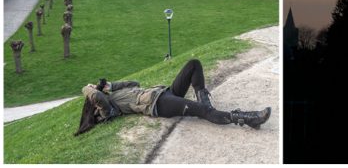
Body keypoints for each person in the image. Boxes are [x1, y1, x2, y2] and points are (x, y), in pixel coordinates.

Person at [75, 59, 270, 136]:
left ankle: (204, 103)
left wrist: (110, 85)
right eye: (96, 93)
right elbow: (95, 96)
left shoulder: (114, 94)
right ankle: (248, 119)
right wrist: (87, 87)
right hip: (158, 105)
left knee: (193, 64)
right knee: (202, 112)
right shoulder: (106, 109)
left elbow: (134, 84)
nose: (97, 91)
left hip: (165, 93)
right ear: (93, 103)